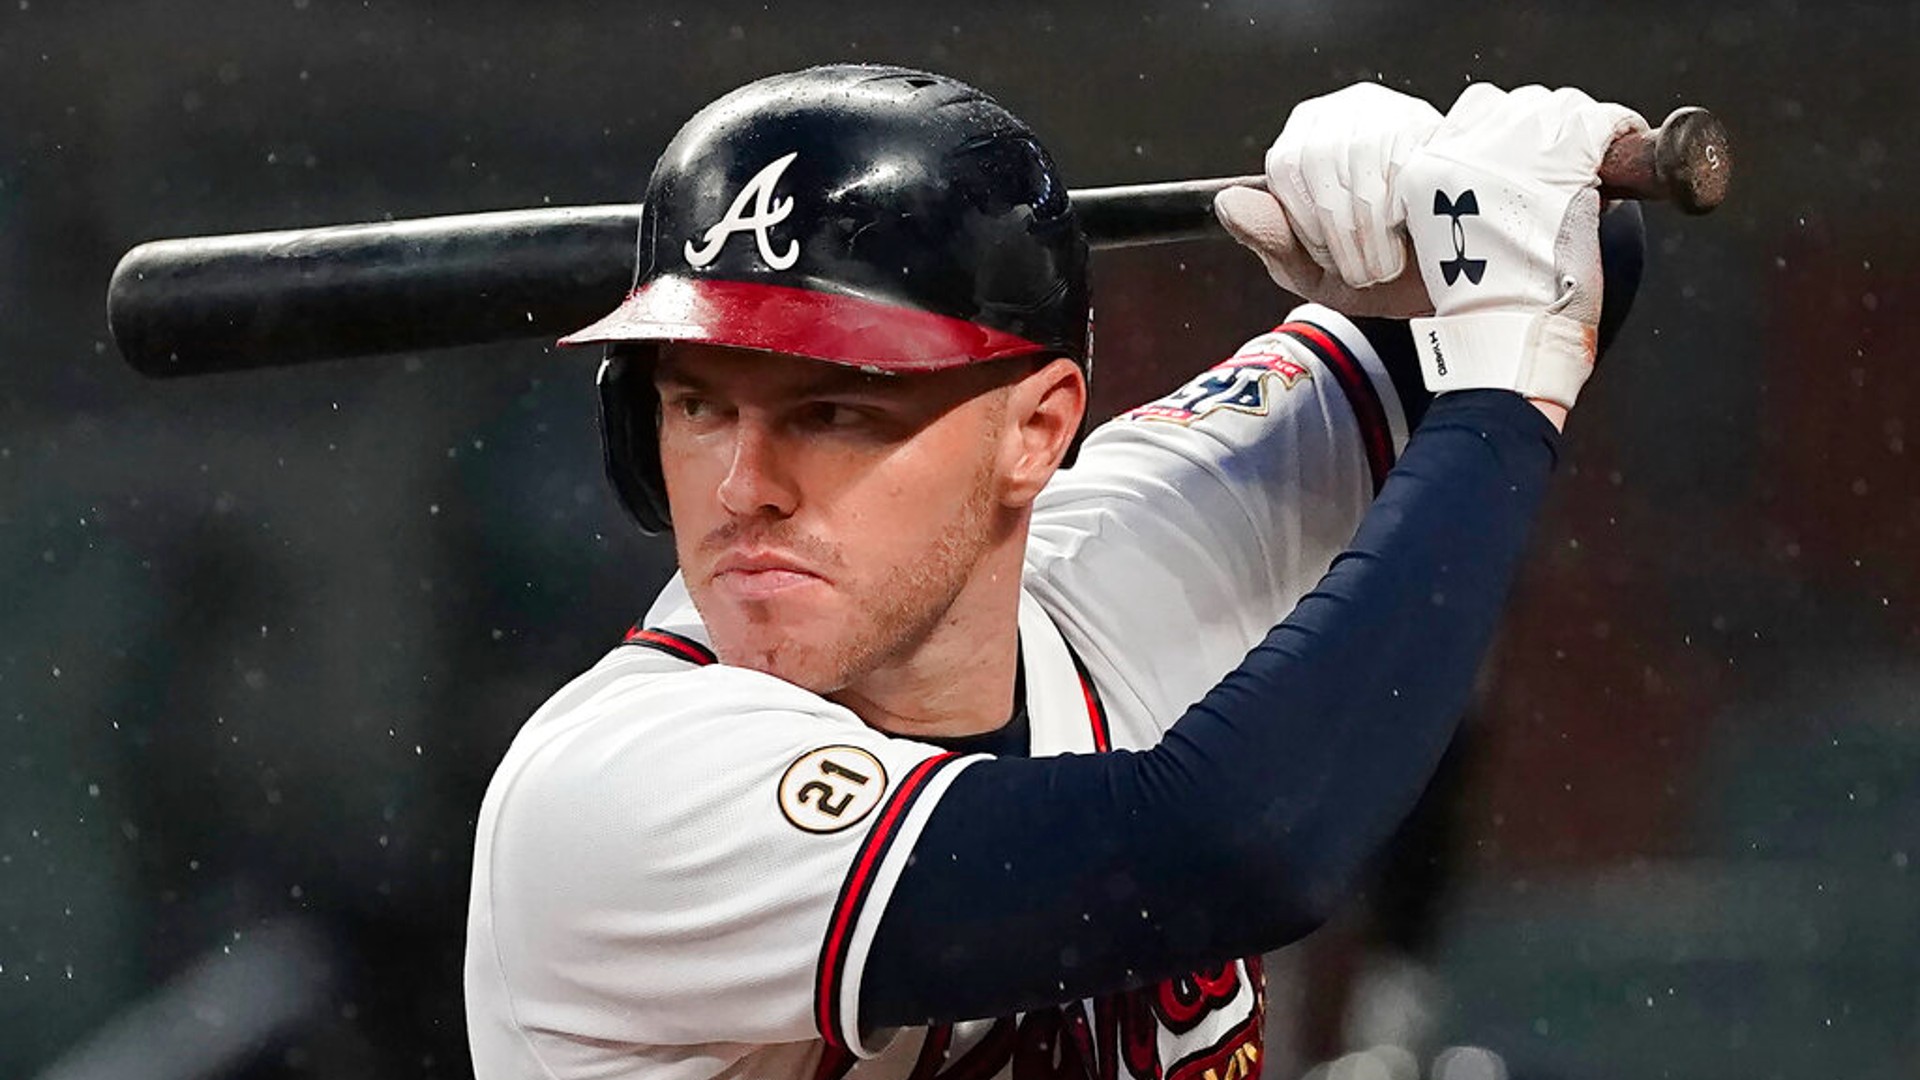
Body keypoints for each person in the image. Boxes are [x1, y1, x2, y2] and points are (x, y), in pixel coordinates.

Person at [463, 64, 1647, 1079]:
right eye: (698, 405)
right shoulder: (614, 798)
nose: (743, 487)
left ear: (1037, 432)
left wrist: (1420, 210)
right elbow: (1231, 850)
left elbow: (1577, 235)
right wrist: (1500, 388)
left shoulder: (1131, 548)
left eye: (833, 411)